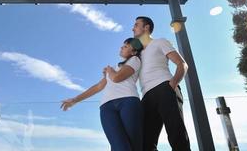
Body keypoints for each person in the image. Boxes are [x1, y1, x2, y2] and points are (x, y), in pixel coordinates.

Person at [60, 38, 144, 151]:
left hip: (128, 102)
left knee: (134, 145)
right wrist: (74, 100)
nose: (121, 47)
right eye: (122, 45)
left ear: (133, 52)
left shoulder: (135, 60)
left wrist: (109, 71)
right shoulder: (114, 68)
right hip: (107, 107)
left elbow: (117, 78)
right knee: (118, 146)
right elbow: (98, 87)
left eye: (126, 46)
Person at [132, 16, 191, 151]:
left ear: (146, 27)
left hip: (165, 88)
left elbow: (182, 64)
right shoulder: (138, 55)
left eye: (136, 25)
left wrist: (172, 84)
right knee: (145, 143)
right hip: (146, 96)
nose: (132, 28)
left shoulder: (160, 42)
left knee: (177, 135)